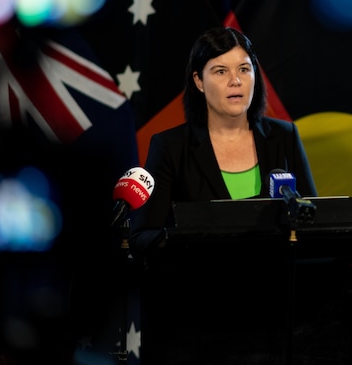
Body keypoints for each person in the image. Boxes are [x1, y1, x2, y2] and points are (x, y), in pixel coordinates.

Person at [129, 25, 317, 254]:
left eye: (244, 69)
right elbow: (142, 236)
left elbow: (313, 221)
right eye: (221, 71)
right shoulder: (170, 147)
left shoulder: (285, 136)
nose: (235, 81)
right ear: (198, 81)